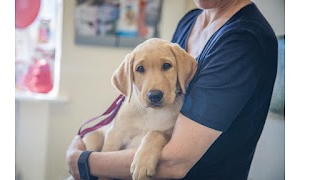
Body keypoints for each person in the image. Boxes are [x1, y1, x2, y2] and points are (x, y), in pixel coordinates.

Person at [66, 0, 278, 179]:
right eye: (140, 69)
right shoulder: (190, 20)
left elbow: (175, 160)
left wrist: (83, 163)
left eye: (166, 66)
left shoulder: (242, 40)